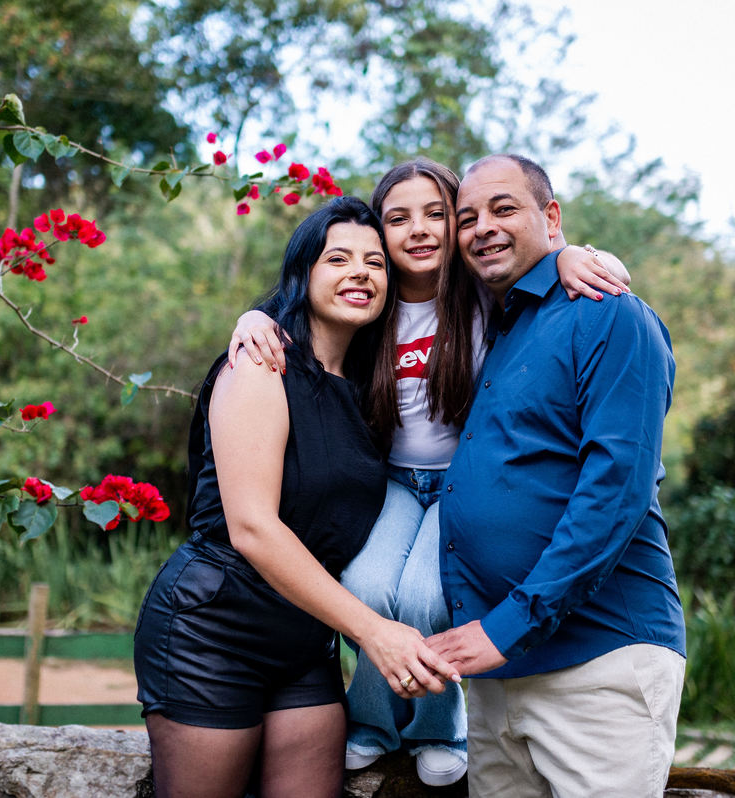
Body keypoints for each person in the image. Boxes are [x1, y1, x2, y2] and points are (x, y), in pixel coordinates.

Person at [228, 158, 629, 786]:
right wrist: (253, 318)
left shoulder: (484, 295)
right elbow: (305, 309)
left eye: (436, 214)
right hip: (392, 481)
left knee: (424, 597)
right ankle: (373, 721)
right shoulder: (372, 304)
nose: (418, 229)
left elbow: (543, 264)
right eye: (398, 218)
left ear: (455, 224)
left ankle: (440, 728)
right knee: (364, 587)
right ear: (378, 233)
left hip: (461, 484)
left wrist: (575, 253)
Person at [133, 196, 460, 798]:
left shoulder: (370, 387)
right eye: (338, 259)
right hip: (215, 629)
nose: (360, 272)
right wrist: (376, 632)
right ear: (302, 272)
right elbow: (253, 528)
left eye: (375, 263)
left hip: (307, 642)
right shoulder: (261, 365)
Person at [427, 154, 686, 798]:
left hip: (598, 663)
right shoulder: (493, 328)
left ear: (551, 217)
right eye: (468, 218)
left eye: (504, 209)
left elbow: (617, 490)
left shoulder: (607, 314)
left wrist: (508, 627)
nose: (483, 228)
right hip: (495, 678)